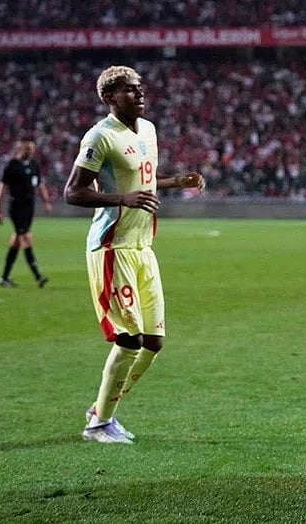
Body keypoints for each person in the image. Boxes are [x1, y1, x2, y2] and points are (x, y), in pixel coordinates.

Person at [65, 65, 205, 444]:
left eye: (140, 88)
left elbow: (141, 180)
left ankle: (102, 409)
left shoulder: (149, 130)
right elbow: (73, 192)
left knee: (153, 342)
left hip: (144, 247)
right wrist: (121, 199)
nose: (140, 94)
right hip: (112, 248)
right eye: (129, 90)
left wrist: (175, 181)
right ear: (110, 97)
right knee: (128, 339)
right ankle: (98, 425)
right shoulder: (100, 137)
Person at [0, 138, 52, 288]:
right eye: (28, 149)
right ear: (21, 149)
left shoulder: (34, 165)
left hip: (29, 208)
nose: (31, 152)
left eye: (32, 149)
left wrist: (46, 202)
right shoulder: (12, 166)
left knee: (16, 241)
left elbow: (39, 185)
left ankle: (4, 278)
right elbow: (2, 188)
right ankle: (38, 276)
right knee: (26, 237)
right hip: (16, 207)